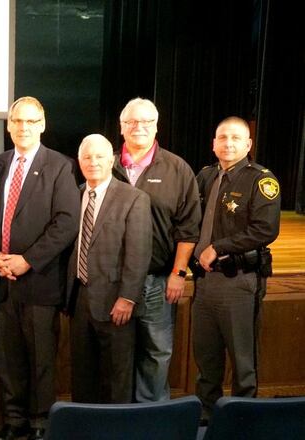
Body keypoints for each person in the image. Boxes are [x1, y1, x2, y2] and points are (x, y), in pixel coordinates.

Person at [0, 97, 80, 440]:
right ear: (9, 125)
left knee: (42, 357)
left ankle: (41, 422)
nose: (23, 127)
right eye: (17, 121)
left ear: (42, 125)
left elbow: (66, 223)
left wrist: (27, 260)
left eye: (30, 121)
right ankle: (14, 421)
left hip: (40, 280)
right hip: (1, 279)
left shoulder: (60, 166)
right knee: (8, 357)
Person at [191, 116, 280, 422]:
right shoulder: (205, 176)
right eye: (223, 138)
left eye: (236, 138)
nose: (228, 143)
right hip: (204, 282)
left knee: (243, 359)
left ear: (248, 144)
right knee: (206, 355)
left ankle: (244, 419)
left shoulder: (260, 180)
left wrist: (220, 247)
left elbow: (265, 229)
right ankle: (206, 414)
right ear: (214, 143)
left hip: (239, 281)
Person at [112, 98, 202, 402]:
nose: (139, 127)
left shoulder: (178, 169)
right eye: (132, 122)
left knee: (156, 351)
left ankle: (151, 419)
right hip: (112, 281)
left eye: (146, 122)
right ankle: (120, 420)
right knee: (118, 353)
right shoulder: (104, 165)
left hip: (158, 280)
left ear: (156, 126)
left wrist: (178, 273)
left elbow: (189, 228)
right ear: (121, 127)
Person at [66, 134, 152, 404]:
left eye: (99, 156)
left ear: (112, 160)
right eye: (87, 157)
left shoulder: (133, 198)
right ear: (79, 161)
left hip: (116, 302)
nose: (93, 162)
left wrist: (127, 298)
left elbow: (139, 253)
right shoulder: (74, 194)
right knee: (82, 375)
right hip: (79, 299)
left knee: (116, 377)